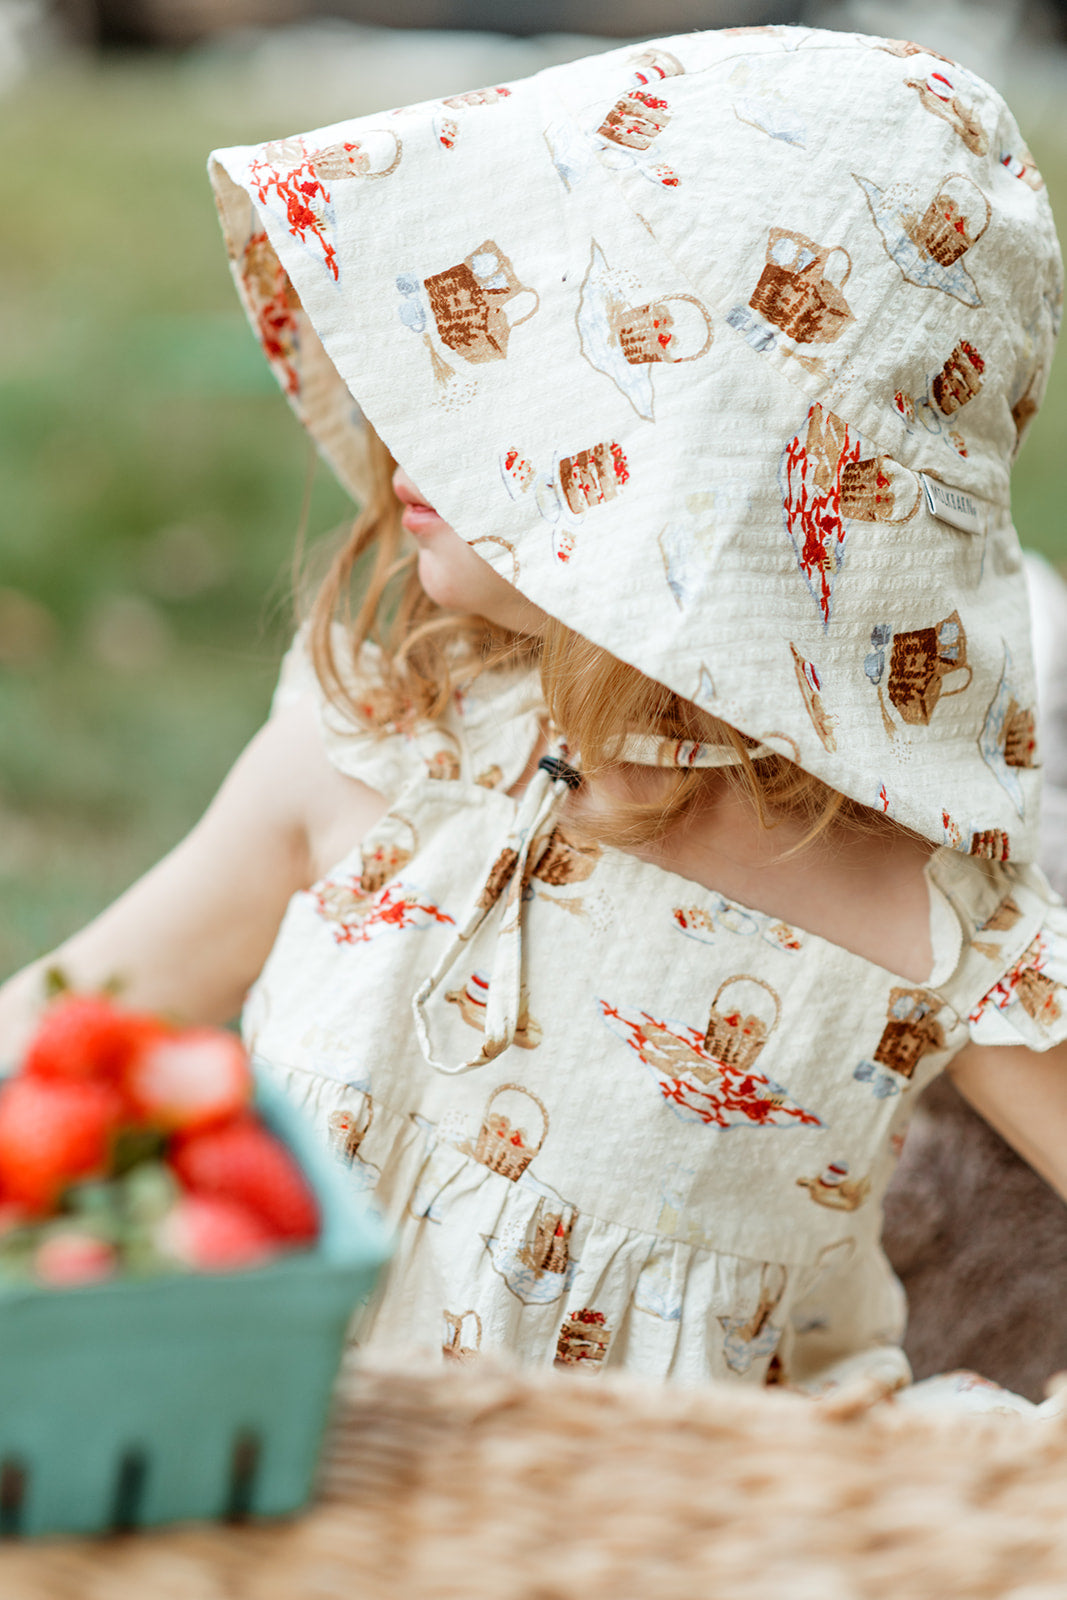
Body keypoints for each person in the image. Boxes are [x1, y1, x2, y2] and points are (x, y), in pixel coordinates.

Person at [1, 25, 1065, 1405]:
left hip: (681, 1548)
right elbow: (56, 1037)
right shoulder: (380, 754)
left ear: (724, 481)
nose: (414, 422)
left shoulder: (917, 924)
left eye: (528, 398)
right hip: (278, 1490)